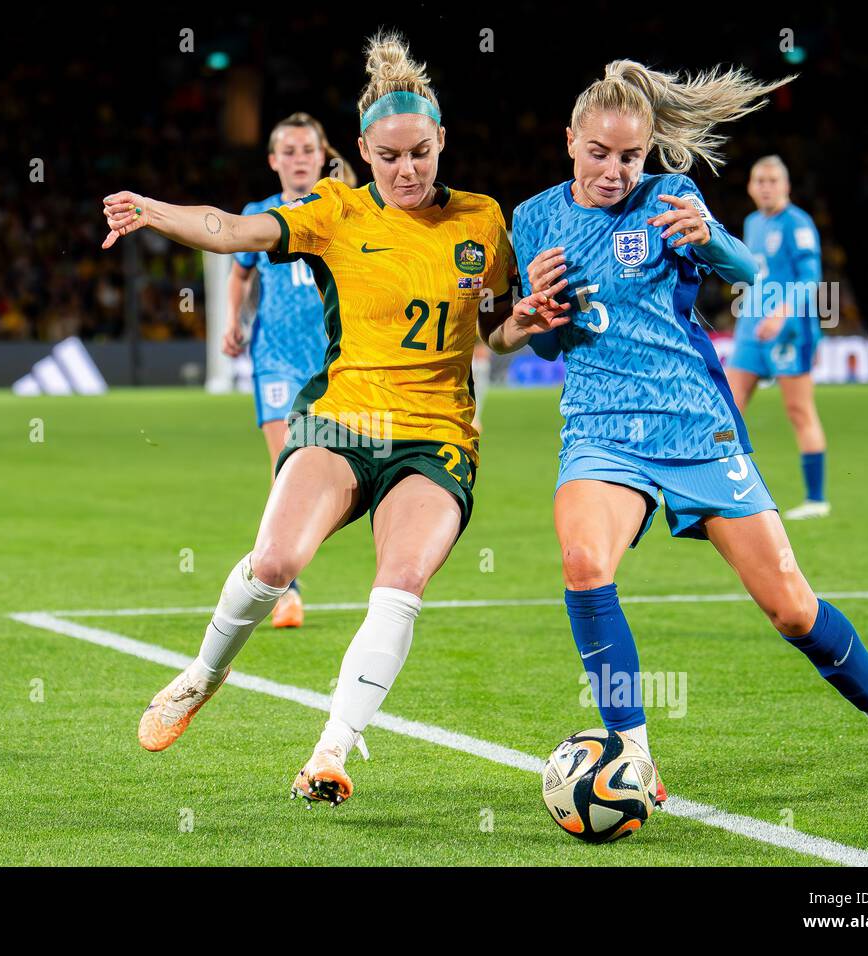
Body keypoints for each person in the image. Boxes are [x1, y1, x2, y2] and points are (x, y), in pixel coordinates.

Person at [103, 32, 555, 806]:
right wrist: (153, 210)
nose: (406, 170)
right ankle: (203, 674)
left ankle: (331, 751)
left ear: (442, 140)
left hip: (437, 436)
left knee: (401, 580)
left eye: (420, 152)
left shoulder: (483, 221)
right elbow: (234, 230)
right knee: (275, 564)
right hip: (341, 419)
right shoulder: (334, 212)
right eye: (388, 156)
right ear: (362, 151)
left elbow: (492, 327)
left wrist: (522, 325)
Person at [495, 60, 868, 815]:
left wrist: (712, 238)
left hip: (693, 423)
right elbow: (538, 343)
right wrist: (532, 314)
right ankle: (634, 757)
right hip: (602, 429)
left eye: (630, 155)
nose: (615, 170)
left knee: (791, 609)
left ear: (648, 152)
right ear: (570, 141)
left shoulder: (670, 197)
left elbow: (750, 271)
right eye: (600, 153)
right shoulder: (534, 218)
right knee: (583, 563)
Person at [221, 113, 357, 627]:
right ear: (274, 160)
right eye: (290, 151)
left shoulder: (342, 211)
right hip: (275, 358)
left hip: (330, 359)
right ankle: (284, 586)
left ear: (323, 157)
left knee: (339, 466)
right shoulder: (259, 214)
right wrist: (233, 321)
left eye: (308, 150)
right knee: (285, 466)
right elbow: (238, 272)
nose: (300, 159)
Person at [728, 155, 829, 519]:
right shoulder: (753, 222)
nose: (766, 186)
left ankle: (816, 500)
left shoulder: (798, 224)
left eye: (773, 180)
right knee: (727, 408)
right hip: (752, 330)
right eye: (760, 180)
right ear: (751, 187)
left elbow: (809, 279)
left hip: (788, 331)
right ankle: (716, 485)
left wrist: (781, 313)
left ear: (786, 186)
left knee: (799, 410)